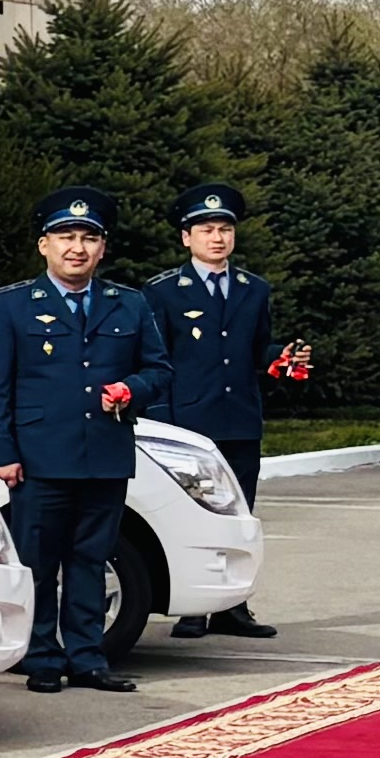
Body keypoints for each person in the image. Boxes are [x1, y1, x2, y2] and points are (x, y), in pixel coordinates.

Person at [0, 185, 167, 696]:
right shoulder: (11, 305)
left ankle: (87, 658)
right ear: (44, 245)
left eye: (88, 238)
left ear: (102, 248)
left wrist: (133, 390)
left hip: (105, 454)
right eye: (65, 237)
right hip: (39, 458)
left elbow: (159, 370)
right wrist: (2, 452)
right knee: (38, 563)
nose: (76, 248)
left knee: (90, 560)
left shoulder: (129, 304)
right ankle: (40, 657)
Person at [145, 183, 291, 639]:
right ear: (186, 237)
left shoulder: (253, 289)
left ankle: (234, 608)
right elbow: (155, 360)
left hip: (239, 419)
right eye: (206, 230)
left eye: (225, 229)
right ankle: (194, 608)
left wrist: (282, 359)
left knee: (239, 516)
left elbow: (257, 350)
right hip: (189, 424)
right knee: (193, 516)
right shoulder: (164, 292)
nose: (217, 238)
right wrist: (162, 424)